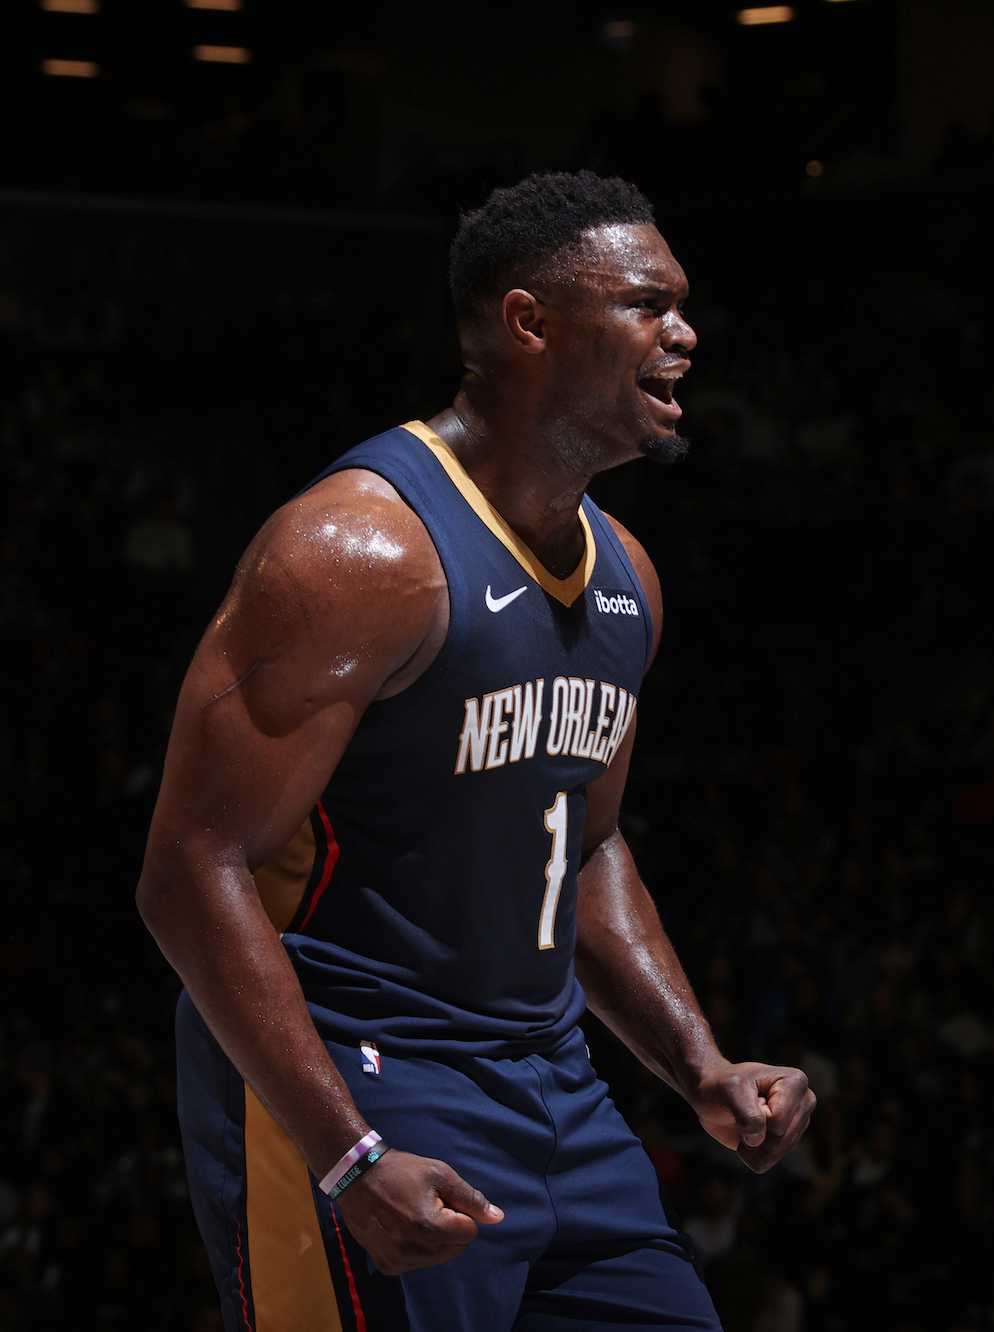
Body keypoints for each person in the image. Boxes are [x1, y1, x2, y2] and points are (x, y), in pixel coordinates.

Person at [138, 171, 816, 1331]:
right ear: (528, 323)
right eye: (648, 304)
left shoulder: (626, 576)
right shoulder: (353, 552)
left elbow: (586, 842)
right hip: (365, 1074)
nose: (684, 335)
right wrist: (346, 1155)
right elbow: (190, 874)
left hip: (552, 1081)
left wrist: (694, 1062)